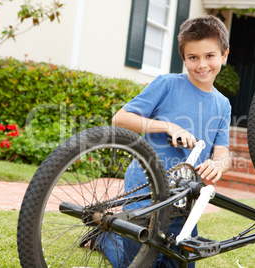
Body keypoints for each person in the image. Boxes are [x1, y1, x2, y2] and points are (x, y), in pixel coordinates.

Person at [86, 15, 232, 267]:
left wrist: (218, 165)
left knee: (178, 263)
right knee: (136, 263)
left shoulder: (223, 104)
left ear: (224, 55)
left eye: (210, 56)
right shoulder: (167, 84)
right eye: (193, 57)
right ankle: (104, 237)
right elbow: (120, 118)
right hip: (144, 196)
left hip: (184, 203)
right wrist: (167, 126)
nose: (202, 65)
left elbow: (222, 152)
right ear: (184, 58)